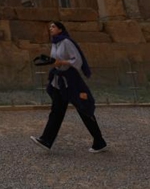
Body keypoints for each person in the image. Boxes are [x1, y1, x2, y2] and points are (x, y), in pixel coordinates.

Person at [30, 21, 107, 153]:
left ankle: (99, 141)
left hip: (70, 81)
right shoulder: (55, 43)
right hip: (59, 81)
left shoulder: (66, 42)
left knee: (83, 108)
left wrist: (61, 62)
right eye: (50, 27)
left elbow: (77, 60)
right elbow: (56, 60)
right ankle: (46, 140)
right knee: (56, 111)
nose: (50, 28)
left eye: (53, 26)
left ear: (60, 29)